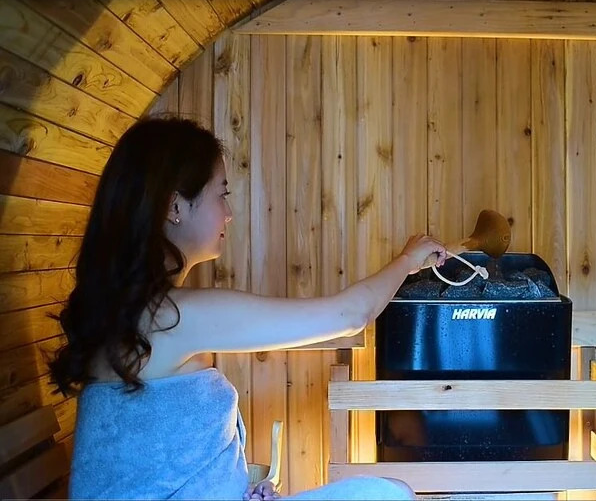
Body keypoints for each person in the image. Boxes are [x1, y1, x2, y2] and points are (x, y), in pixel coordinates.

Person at [48, 117, 445, 500]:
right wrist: (408, 261)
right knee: (388, 494)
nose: (229, 213)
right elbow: (349, 316)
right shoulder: (171, 318)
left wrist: (236, 487)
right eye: (221, 194)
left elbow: (156, 466)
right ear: (174, 206)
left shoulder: (135, 317)